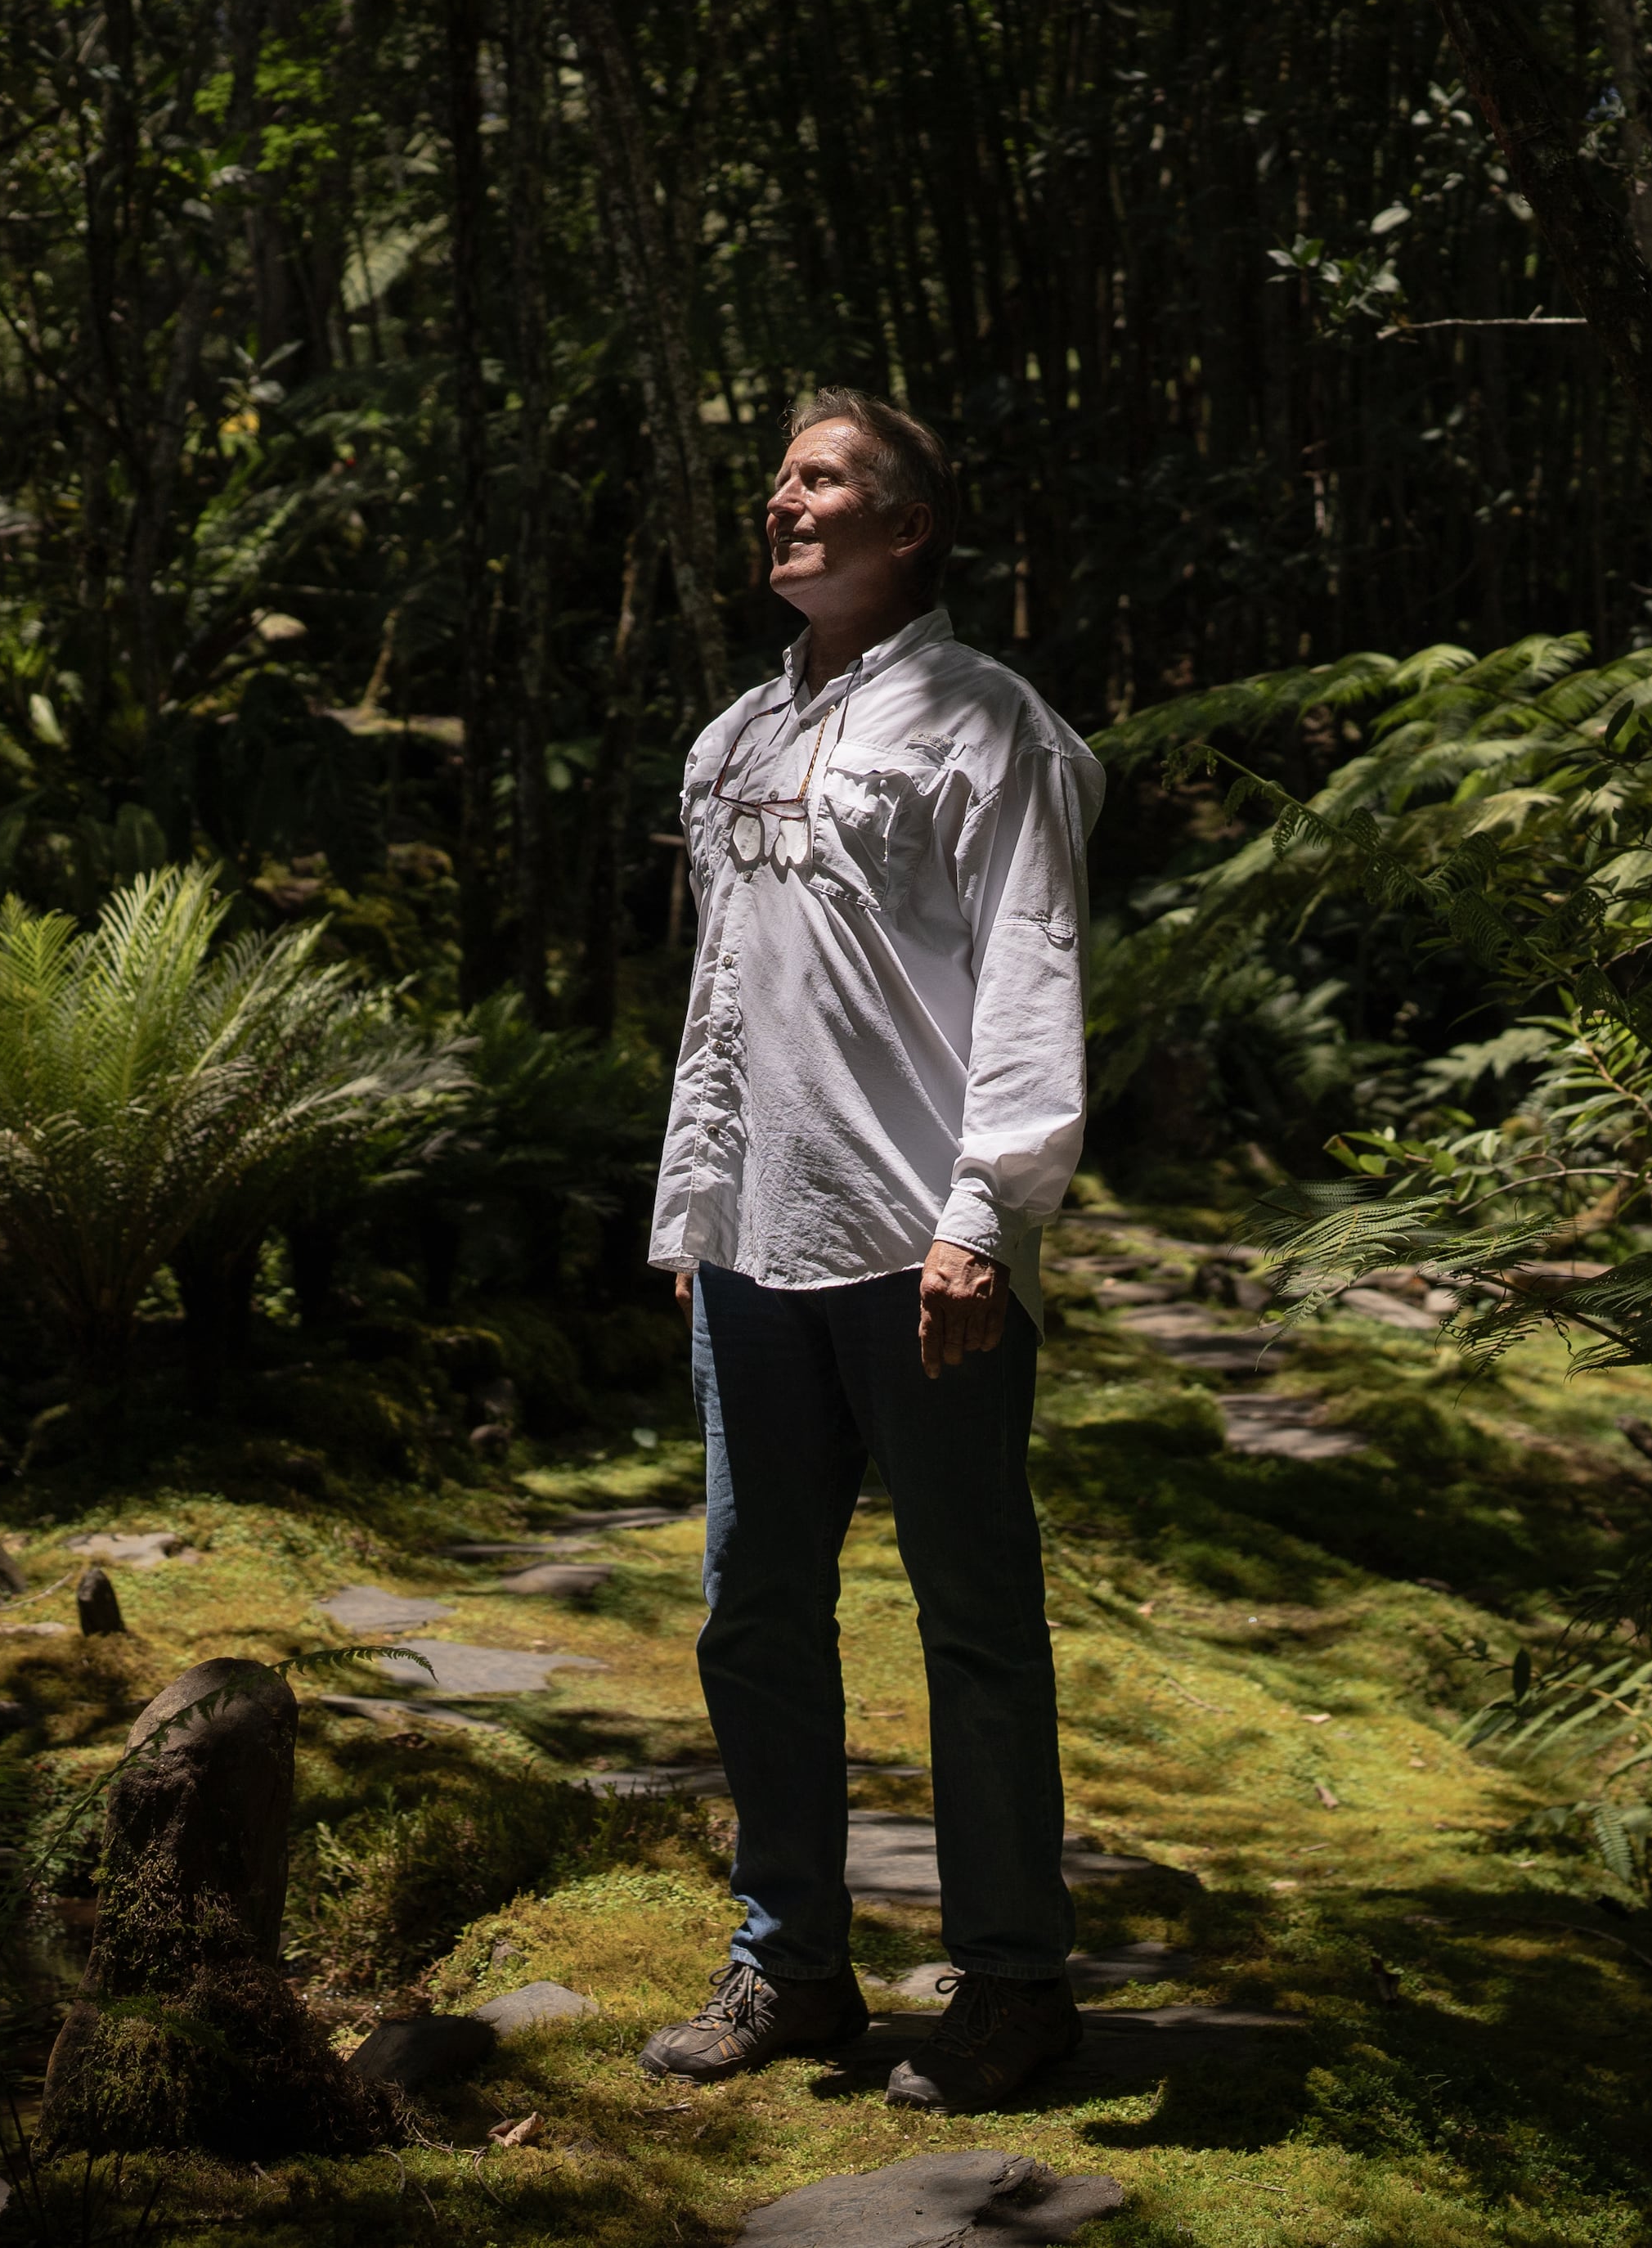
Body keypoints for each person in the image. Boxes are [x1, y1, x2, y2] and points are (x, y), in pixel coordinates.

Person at [635, 387, 1103, 2113]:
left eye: (820, 478)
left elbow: (1033, 968)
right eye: (777, 481)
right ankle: (793, 1961)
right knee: (753, 1607)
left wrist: (989, 1215)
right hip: (756, 1250)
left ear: (906, 527)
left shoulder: (990, 724)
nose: (783, 502)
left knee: (972, 1619)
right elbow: (721, 1008)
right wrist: (694, 1203)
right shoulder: (730, 742)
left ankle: (1010, 1981)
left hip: (923, 1252)